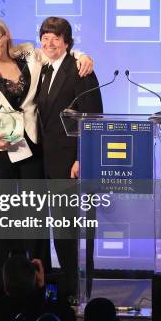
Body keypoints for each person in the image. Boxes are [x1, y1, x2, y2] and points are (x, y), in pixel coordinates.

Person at [0, 16, 94, 271]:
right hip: (0, 150)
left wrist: (83, 55)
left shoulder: (28, 54)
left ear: (6, 35)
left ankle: (40, 274)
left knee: (34, 214)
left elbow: (57, 49)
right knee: (1, 213)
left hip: (34, 145)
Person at [34, 16, 103, 299]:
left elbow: (92, 117)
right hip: (46, 162)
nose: (49, 44)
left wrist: (82, 158)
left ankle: (79, 289)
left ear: (67, 42)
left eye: (56, 39)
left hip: (72, 164)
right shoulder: (41, 68)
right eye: (45, 38)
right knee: (60, 230)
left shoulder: (80, 69)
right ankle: (67, 287)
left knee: (74, 231)